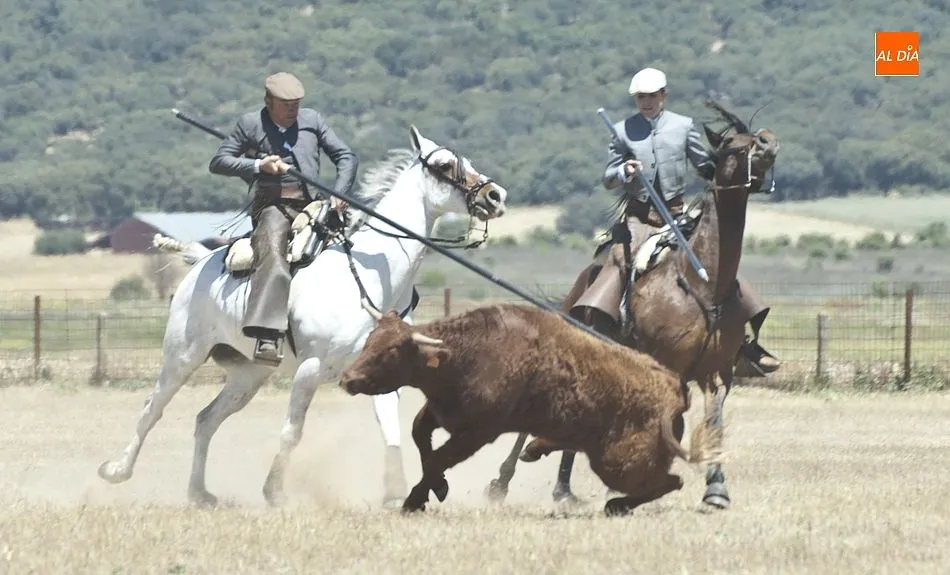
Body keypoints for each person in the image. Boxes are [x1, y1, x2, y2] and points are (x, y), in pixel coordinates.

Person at [567, 67, 780, 376]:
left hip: (678, 215)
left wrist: (737, 164)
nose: (646, 102)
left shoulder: (683, 127)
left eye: (652, 96)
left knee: (718, 263)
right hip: (640, 220)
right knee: (621, 262)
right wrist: (624, 171)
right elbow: (607, 177)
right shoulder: (622, 131)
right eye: (641, 97)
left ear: (663, 96)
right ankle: (602, 327)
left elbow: (705, 166)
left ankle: (743, 344)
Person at [209, 72, 359, 365]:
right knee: (275, 258)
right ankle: (267, 334)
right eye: (286, 104)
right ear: (268, 101)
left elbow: (345, 156)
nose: (293, 109)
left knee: (355, 249)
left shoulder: (313, 120)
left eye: (297, 103)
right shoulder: (250, 124)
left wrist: (340, 193)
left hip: (316, 206)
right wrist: (258, 165)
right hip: (273, 207)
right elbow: (219, 162)